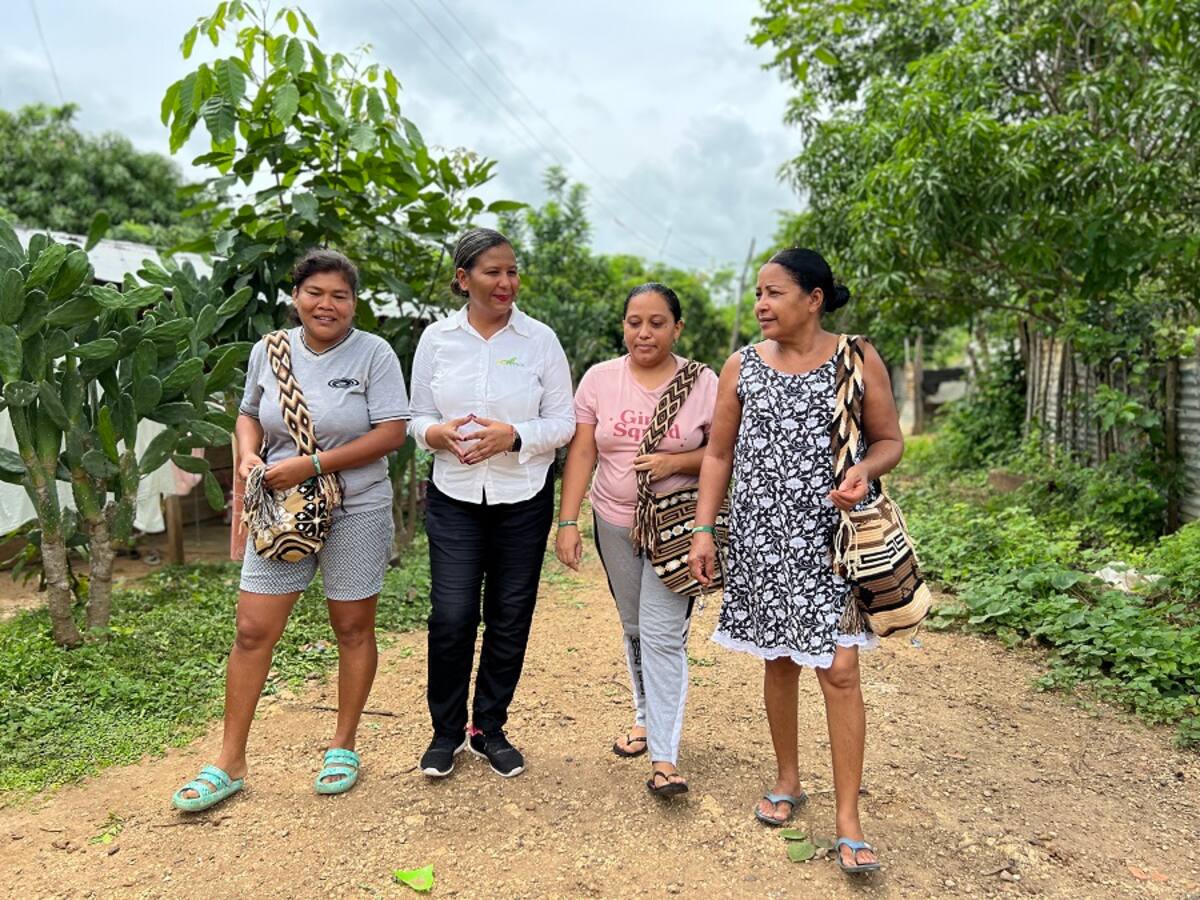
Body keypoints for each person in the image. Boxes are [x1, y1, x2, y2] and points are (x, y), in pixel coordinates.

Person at [688, 248, 903, 873]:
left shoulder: (856, 358)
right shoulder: (741, 366)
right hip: (761, 538)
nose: (761, 304)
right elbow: (718, 457)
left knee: (840, 673)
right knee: (779, 663)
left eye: (775, 292)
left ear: (814, 299)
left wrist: (863, 468)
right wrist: (705, 531)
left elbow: (889, 440)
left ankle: (848, 819)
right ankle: (787, 778)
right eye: (758, 292)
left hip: (831, 542)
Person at [172, 249, 411, 811]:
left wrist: (314, 465)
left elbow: (393, 433)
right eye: (316, 293)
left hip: (356, 506)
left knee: (352, 626)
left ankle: (343, 744)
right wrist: (249, 454)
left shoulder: (373, 353)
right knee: (254, 630)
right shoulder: (269, 350)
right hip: (280, 508)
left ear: (354, 303)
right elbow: (249, 412)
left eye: (340, 296)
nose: (327, 304)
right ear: (296, 296)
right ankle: (230, 760)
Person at [410, 227, 575, 779]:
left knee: (509, 617)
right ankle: (446, 732)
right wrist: (435, 436)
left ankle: (490, 729)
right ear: (464, 279)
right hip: (454, 496)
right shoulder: (436, 340)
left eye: (512, 271)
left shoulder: (540, 341)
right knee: (452, 617)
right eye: (492, 272)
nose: (506, 282)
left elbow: (564, 422)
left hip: (522, 497)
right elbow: (416, 417)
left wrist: (516, 436)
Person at [555, 283, 717, 797]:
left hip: (677, 529)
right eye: (633, 322)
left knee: (664, 633)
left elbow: (721, 454)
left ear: (677, 328)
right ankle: (645, 716)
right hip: (613, 521)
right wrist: (567, 521)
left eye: (656, 322)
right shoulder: (600, 379)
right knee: (634, 626)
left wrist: (677, 462)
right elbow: (583, 453)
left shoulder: (704, 382)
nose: (643, 332)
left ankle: (665, 757)